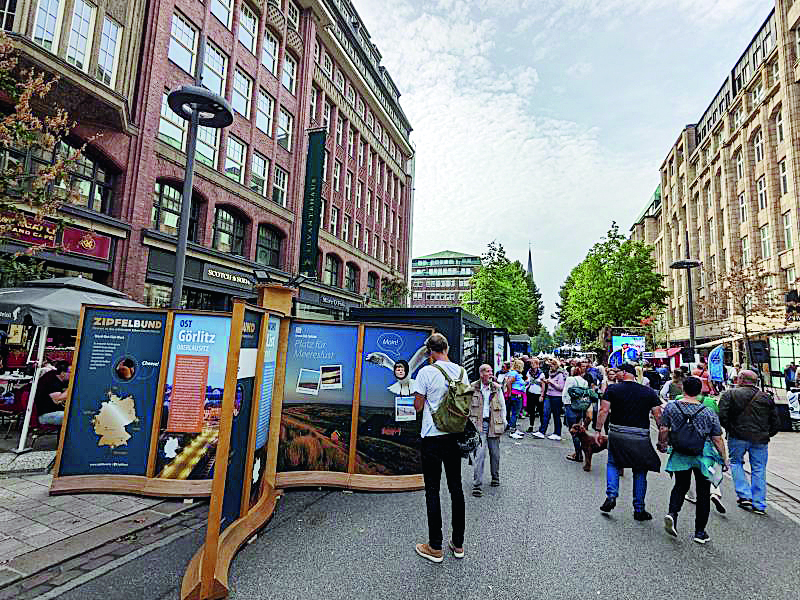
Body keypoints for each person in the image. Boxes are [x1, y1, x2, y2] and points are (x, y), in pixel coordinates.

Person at [413, 333, 468, 562]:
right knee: (456, 488)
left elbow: (417, 406)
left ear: (430, 352)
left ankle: (435, 547)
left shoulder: (426, 372)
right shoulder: (462, 371)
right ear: (447, 347)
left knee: (432, 490)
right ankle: (458, 544)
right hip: (454, 436)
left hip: (432, 437)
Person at [658, 377, 730, 545]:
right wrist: (724, 458)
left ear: (683, 388)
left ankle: (673, 514)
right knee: (703, 492)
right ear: (700, 391)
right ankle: (700, 532)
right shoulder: (707, 411)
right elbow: (717, 438)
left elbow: (663, 429)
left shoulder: (672, 407)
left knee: (680, 485)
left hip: (681, 451)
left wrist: (662, 444)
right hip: (703, 454)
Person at [596, 363, 662, 520]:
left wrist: (598, 430)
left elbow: (604, 410)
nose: (615, 374)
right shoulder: (648, 392)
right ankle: (639, 509)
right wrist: (662, 436)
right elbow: (658, 415)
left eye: (617, 372)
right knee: (639, 470)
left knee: (613, 463)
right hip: (640, 435)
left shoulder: (612, 389)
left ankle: (611, 495)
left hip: (617, 433)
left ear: (625, 372)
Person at [718, 369, 780, 515]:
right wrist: (767, 433)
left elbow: (722, 415)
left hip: (737, 436)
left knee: (736, 462)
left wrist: (731, 429)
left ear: (740, 379)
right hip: (760, 438)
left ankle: (744, 495)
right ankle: (759, 503)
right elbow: (775, 421)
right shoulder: (766, 397)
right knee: (759, 468)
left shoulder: (730, 394)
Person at [469, 364, 507, 497]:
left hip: (493, 424)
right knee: (479, 455)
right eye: (488, 371)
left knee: (495, 454)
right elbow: (467, 407)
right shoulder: (472, 387)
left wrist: (504, 422)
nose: (491, 373)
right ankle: (477, 485)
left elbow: (502, 405)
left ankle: (495, 477)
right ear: (481, 373)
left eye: (491, 371)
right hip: (478, 425)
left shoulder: (497, 388)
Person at [532, 359, 566, 440]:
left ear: (556, 365)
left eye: (552, 365)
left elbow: (561, 387)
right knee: (545, 414)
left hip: (557, 397)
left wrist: (551, 382)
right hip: (548, 395)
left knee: (556, 415)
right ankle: (542, 431)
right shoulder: (551, 373)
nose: (550, 367)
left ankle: (557, 433)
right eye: (549, 366)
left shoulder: (560, 374)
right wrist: (547, 381)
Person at [563, 364, 588, 463]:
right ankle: (579, 453)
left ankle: (578, 454)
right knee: (578, 430)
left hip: (570, 406)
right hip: (580, 408)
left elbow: (565, 393)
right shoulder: (585, 382)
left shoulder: (570, 379)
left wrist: (565, 405)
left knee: (573, 431)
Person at [34, 360, 71, 426]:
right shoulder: (52, 382)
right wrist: (71, 388)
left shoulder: (63, 382)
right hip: (46, 415)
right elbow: (57, 400)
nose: (73, 374)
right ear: (62, 373)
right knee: (71, 417)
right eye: (70, 372)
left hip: (56, 412)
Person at [505, 359, 526, 438]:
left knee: (512, 412)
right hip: (516, 395)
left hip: (515, 394)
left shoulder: (513, 373)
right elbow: (509, 382)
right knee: (515, 413)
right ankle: (512, 431)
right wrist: (510, 392)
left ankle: (512, 428)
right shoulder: (514, 373)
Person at [525, 358, 543, 432]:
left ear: (537, 364)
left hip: (538, 393)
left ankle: (542, 426)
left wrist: (542, 395)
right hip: (530, 392)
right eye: (531, 363)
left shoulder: (541, 373)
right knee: (531, 410)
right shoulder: (529, 372)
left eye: (533, 363)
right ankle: (531, 425)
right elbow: (527, 380)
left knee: (541, 411)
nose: (532, 365)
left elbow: (543, 384)